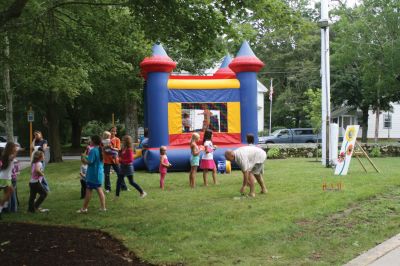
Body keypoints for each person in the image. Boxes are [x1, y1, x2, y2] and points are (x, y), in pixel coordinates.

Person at [77, 135, 106, 213]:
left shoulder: (93, 150)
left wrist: (83, 158)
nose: (90, 141)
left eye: (90, 140)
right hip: (99, 174)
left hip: (93, 175)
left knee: (89, 191)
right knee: (99, 190)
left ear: (93, 141)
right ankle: (103, 208)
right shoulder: (100, 149)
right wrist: (86, 157)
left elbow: (89, 162)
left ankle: (84, 208)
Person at [103, 126, 127, 193]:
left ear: (116, 132)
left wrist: (111, 148)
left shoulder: (117, 139)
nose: (113, 132)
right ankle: (108, 188)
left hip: (115, 159)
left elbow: (118, 149)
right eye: (112, 131)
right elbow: (102, 148)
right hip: (106, 159)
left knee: (119, 173)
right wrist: (105, 148)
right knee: (107, 174)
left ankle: (123, 187)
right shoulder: (105, 139)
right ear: (109, 132)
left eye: (114, 131)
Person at [0, 142, 18, 214]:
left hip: (5, 177)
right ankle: (2, 206)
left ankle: (3, 207)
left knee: (7, 192)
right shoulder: (9, 156)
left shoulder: (5, 155)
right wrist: (17, 150)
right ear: (11, 148)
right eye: (14, 147)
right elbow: (13, 157)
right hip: (5, 178)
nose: (15, 148)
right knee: (10, 191)